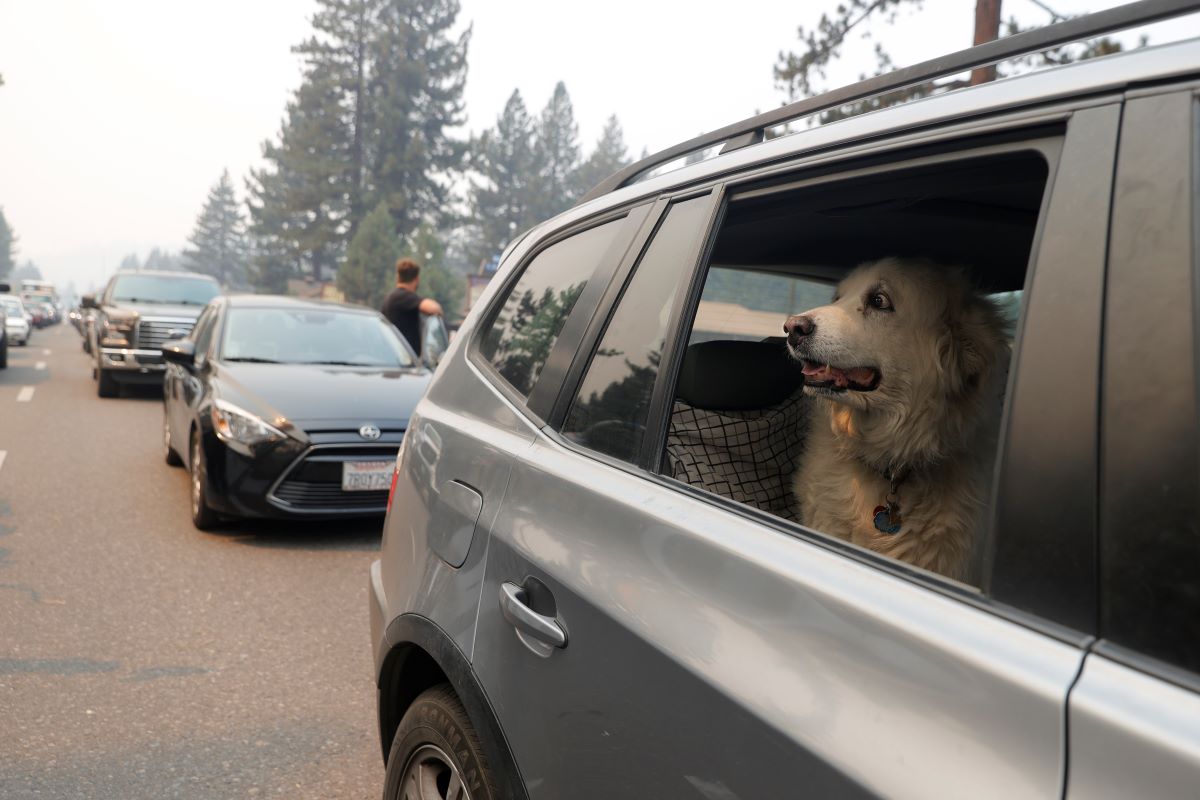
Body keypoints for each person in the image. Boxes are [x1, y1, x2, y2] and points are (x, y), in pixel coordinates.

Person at [381, 257, 443, 356]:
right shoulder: (403, 297)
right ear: (417, 279)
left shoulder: (392, 297)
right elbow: (434, 308)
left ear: (398, 277)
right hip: (403, 358)